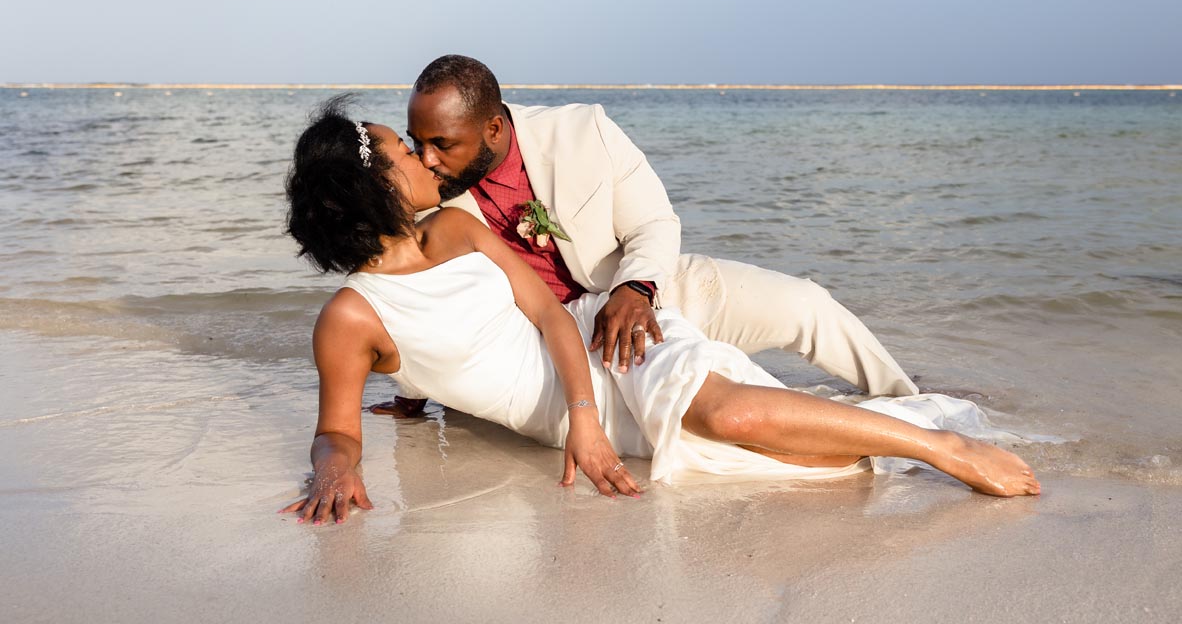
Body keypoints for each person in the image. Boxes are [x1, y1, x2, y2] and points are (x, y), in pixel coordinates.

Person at [278, 98, 1039, 525]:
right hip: (583, 420)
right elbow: (337, 430)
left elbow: (551, 316)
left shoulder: (452, 228)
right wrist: (333, 471)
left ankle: (943, 447)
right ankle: (900, 424)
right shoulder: (350, 319)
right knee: (802, 463)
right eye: (403, 150)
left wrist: (583, 416)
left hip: (603, 346)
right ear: (373, 188)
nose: (424, 157)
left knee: (734, 416)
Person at [402, 55, 917, 398]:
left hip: (645, 292)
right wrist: (414, 393)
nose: (426, 158)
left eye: (442, 144)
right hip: (556, 349)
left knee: (807, 304)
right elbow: (420, 293)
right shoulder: (427, 196)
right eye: (415, 141)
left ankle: (910, 400)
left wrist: (635, 288)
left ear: (494, 128)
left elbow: (652, 221)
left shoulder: (582, 130)